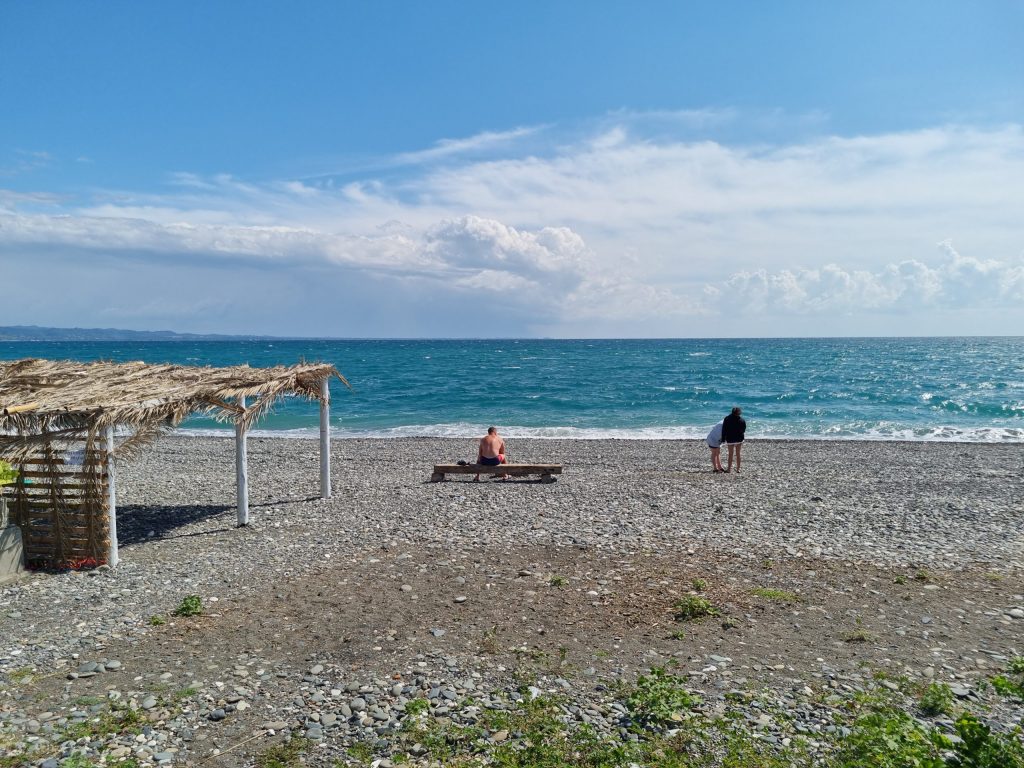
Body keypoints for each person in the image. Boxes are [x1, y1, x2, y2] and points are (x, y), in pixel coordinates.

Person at [722, 406, 746, 473]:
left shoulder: (727, 419)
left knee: (730, 454)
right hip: (739, 439)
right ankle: (738, 469)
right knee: (738, 454)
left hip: (730, 439)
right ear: (739, 413)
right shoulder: (742, 420)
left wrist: (723, 439)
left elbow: (724, 429)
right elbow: (743, 430)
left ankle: (729, 469)